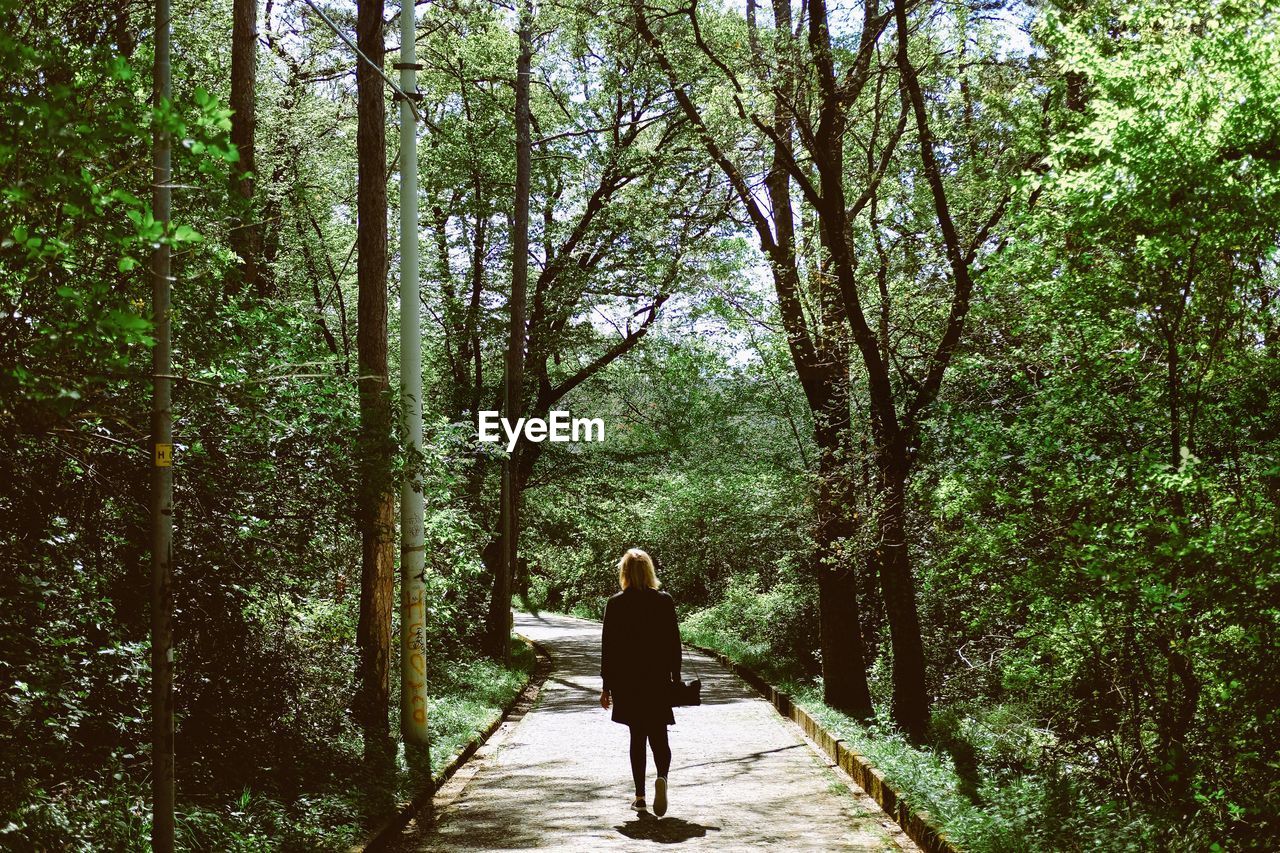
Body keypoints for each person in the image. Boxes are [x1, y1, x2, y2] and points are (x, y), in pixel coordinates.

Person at [599, 548, 681, 816]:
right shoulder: (664, 601)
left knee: (637, 736)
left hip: (628, 682)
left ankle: (640, 796)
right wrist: (675, 677)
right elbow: (674, 643)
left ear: (624, 572)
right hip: (657, 679)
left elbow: (608, 648)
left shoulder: (616, 603)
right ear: (649, 571)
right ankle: (663, 779)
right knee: (659, 733)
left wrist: (606, 686)